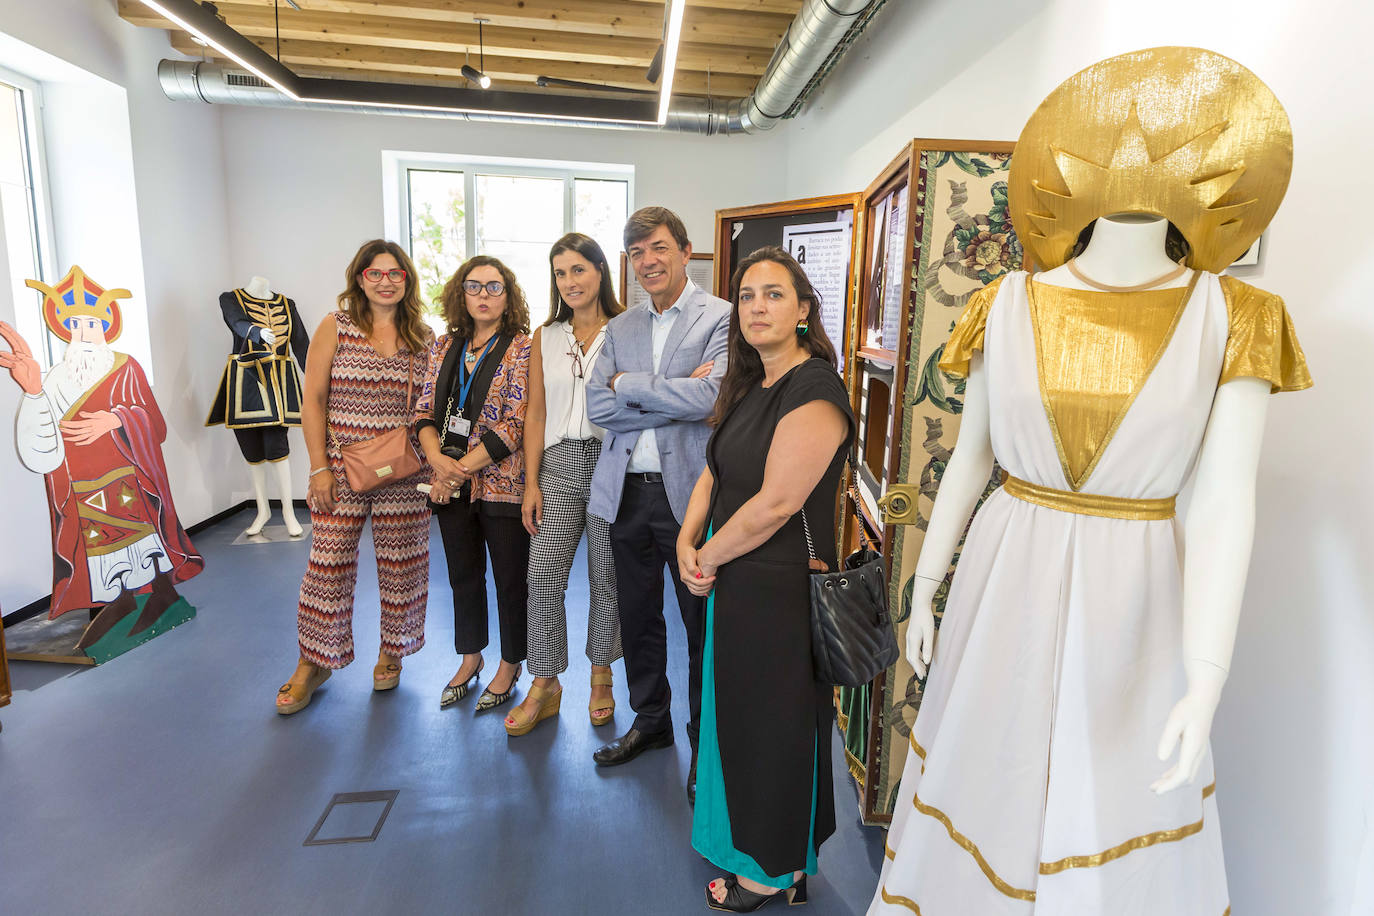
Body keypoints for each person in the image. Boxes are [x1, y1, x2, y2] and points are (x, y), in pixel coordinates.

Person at [677, 247, 853, 911]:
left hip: (778, 586)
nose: (757, 306)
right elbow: (715, 471)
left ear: (803, 309)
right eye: (747, 295)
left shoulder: (816, 388)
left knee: (776, 726)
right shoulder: (750, 384)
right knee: (741, 722)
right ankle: (770, 852)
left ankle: (772, 870)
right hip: (734, 578)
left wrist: (709, 557)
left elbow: (779, 503)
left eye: (774, 294)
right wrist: (689, 543)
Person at [586, 206, 729, 798]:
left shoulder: (721, 317)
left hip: (688, 500)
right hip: (625, 497)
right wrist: (675, 396)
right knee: (639, 619)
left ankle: (704, 743)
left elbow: (713, 399)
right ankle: (652, 723)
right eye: (637, 252)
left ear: (685, 250)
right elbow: (598, 407)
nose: (648, 261)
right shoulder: (620, 328)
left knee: (699, 626)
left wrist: (632, 387)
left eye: (659, 248)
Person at [1, 267, 203, 652]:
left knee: (142, 543)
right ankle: (120, 600)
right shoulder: (58, 377)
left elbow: (155, 427)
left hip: (129, 480)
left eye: (91, 323)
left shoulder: (126, 366)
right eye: (74, 324)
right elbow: (43, 443)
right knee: (104, 552)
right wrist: (32, 391)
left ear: (106, 325)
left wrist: (117, 419)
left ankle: (161, 594)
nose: (82, 332)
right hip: (83, 486)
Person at [275, 240, 434, 714]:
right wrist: (319, 466)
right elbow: (314, 401)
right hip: (342, 470)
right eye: (375, 273)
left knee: (404, 564)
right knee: (327, 566)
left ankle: (394, 648)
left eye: (395, 273)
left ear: (407, 280)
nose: (386, 281)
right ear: (360, 278)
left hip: (406, 471)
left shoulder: (423, 336)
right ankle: (313, 661)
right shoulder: (336, 326)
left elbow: (428, 408)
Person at [505, 233, 625, 737]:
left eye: (578, 269)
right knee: (544, 576)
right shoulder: (545, 335)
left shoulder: (627, 329)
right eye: (560, 273)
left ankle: (602, 674)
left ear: (600, 270)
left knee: (607, 574)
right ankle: (545, 680)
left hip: (609, 458)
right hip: (555, 464)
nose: (570, 282)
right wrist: (530, 483)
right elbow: (536, 414)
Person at [415, 256, 532, 714]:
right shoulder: (444, 346)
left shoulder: (523, 348)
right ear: (460, 294)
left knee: (509, 580)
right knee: (463, 576)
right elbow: (425, 411)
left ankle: (510, 662)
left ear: (509, 296)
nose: (484, 294)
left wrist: (456, 469)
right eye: (474, 286)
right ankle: (471, 656)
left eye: (494, 286)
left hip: (500, 484)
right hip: (447, 484)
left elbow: (516, 423)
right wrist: (437, 461)